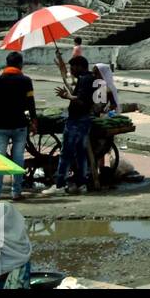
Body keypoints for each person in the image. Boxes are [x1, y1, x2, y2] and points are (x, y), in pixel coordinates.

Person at [0, 51, 36, 202]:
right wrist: (33, 121)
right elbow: (30, 103)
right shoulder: (25, 80)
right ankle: (16, 192)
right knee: (18, 158)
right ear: (20, 64)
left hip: (1, 125)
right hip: (20, 124)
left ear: (7, 63)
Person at [44, 53, 95, 196]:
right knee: (80, 153)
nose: (71, 69)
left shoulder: (85, 80)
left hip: (77, 120)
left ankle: (60, 185)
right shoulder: (87, 78)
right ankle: (81, 184)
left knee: (66, 153)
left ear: (80, 66)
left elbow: (82, 101)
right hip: (84, 120)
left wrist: (67, 97)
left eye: (73, 66)